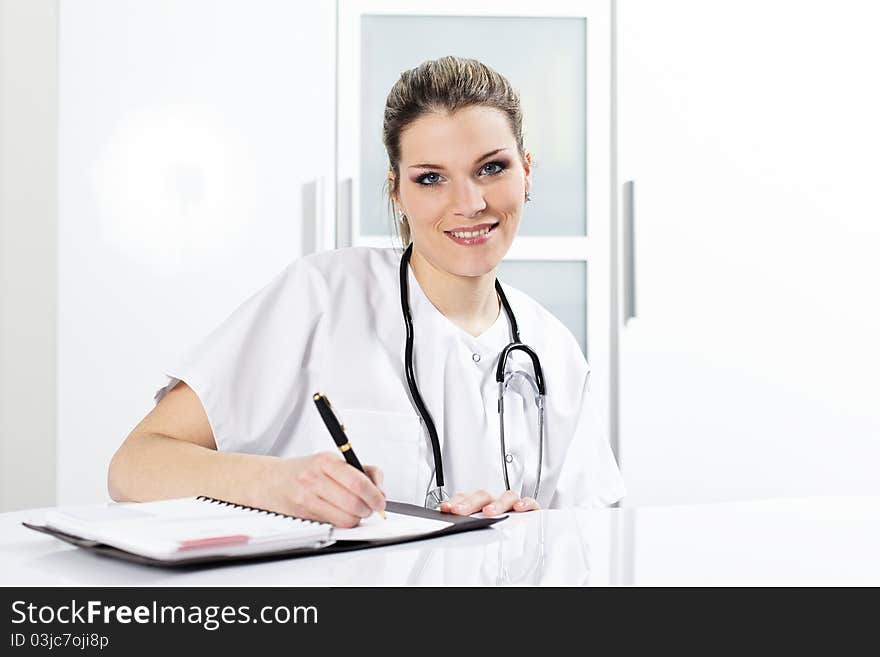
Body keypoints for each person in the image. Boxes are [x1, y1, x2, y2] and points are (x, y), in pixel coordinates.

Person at [108, 56, 625, 528]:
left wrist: (534, 530)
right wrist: (281, 486)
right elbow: (135, 466)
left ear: (526, 171)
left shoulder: (554, 351)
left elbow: (595, 540)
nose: (469, 203)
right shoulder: (321, 297)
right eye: (430, 178)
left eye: (492, 168)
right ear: (396, 191)